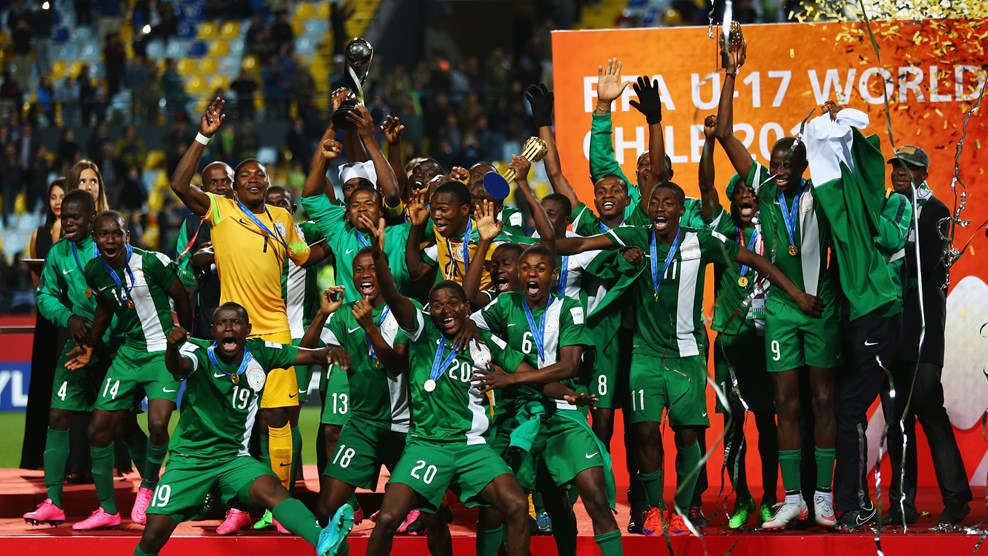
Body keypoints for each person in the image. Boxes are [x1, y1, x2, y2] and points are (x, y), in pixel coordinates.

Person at [557, 181, 823, 536]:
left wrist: (798, 296)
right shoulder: (635, 235)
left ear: (682, 210)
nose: (660, 209)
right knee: (646, 433)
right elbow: (578, 244)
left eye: (669, 203)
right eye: (654, 203)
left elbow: (755, 260)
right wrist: (543, 242)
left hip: (686, 355)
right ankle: (653, 509)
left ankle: (683, 509)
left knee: (687, 439)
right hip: (644, 355)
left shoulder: (703, 241)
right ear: (648, 209)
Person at [168, 97, 332, 533]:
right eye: (245, 176)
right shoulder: (220, 210)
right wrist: (204, 135)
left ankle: (277, 507)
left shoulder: (282, 217)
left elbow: (303, 257)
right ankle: (234, 501)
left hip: (275, 328)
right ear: (234, 188)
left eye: (260, 174)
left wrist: (340, 235)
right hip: (231, 333)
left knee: (276, 419)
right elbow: (179, 183)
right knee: (234, 420)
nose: (254, 179)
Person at [363, 215, 551, 556]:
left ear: (467, 308)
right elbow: (393, 297)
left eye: (453, 304)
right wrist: (378, 257)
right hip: (426, 445)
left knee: (515, 507)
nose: (445, 310)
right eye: (437, 305)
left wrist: (564, 392)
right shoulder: (421, 331)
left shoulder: (484, 340)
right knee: (390, 517)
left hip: (471, 447)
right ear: (429, 310)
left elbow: (526, 372)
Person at [715, 43, 841, 530]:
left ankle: (824, 496)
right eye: (775, 162)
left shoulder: (824, 195)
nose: (780, 169)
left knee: (823, 402)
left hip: (821, 307)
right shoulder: (764, 190)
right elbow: (724, 132)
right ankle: (794, 499)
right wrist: (731, 72)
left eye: (788, 163)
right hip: (785, 312)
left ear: (804, 165)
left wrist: (833, 126)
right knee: (786, 403)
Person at [134, 303, 353, 556]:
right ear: (213, 330)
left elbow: (308, 355)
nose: (228, 328)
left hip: (233, 459)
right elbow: (179, 367)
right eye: (221, 323)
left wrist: (331, 352)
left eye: (236, 323)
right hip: (189, 460)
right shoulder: (198, 351)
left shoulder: (261, 352)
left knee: (272, 489)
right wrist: (172, 348)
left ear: (247, 329)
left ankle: (322, 538)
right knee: (152, 535)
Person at [802, 102, 911, 531]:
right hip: (853, 316)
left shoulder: (895, 204)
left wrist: (864, 206)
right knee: (839, 407)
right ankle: (839, 500)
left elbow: (886, 237)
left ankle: (855, 503)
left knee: (848, 407)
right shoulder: (848, 211)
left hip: (882, 315)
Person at [65, 211, 191, 529]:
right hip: (129, 355)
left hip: (163, 353)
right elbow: (106, 307)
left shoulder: (152, 263)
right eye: (104, 235)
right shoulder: (95, 270)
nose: (110, 240)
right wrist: (92, 342)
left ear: (127, 236)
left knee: (159, 424)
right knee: (98, 429)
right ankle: (107, 510)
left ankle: (148, 487)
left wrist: (185, 336)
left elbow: (182, 296)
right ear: (95, 239)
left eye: (116, 234)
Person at [24, 190, 139, 526]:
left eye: (75, 217)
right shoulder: (58, 254)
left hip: (112, 349)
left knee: (124, 426)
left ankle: (148, 490)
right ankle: (54, 502)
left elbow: (125, 298)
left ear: (91, 218)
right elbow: (45, 295)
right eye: (65, 217)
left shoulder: (108, 248)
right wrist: (69, 319)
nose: (68, 222)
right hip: (77, 345)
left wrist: (103, 332)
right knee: (58, 416)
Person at [881, 145, 972, 527]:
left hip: (923, 330)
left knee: (929, 410)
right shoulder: (884, 210)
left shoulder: (936, 212)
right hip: (889, 330)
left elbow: (925, 264)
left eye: (909, 167)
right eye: (895, 167)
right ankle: (902, 504)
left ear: (922, 172)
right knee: (896, 420)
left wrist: (887, 245)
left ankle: (956, 500)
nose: (899, 172)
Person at [696, 115, 778, 528]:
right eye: (739, 193)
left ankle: (768, 499)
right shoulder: (725, 231)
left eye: (752, 191)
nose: (746, 195)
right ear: (731, 203)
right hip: (729, 342)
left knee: (768, 422)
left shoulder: (775, 233)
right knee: (734, 426)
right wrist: (710, 142)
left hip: (768, 341)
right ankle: (742, 497)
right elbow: (706, 187)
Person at [299, 251, 410, 554]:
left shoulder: (405, 313)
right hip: (362, 426)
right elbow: (305, 351)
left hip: (405, 428)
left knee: (430, 516)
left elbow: (396, 365)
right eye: (358, 270)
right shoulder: (345, 314)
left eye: (372, 269)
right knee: (325, 508)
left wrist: (370, 328)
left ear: (385, 272)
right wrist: (322, 313)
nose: (364, 276)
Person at [20, 179, 66, 469]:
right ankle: (36, 457)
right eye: (53, 197)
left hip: (67, 315)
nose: (57, 202)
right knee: (42, 383)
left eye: (62, 196)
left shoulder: (74, 235)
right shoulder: (38, 233)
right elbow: (36, 275)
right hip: (46, 316)